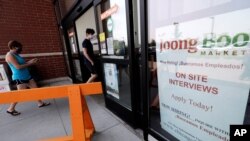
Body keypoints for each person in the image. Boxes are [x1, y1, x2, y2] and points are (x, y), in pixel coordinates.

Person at [5, 40, 50, 116]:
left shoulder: (15, 54)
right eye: (18, 47)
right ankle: (10, 109)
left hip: (27, 75)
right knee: (19, 94)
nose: (19, 49)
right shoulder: (9, 55)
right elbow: (18, 67)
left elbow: (23, 64)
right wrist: (30, 64)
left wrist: (30, 61)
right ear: (12, 47)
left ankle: (40, 103)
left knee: (35, 90)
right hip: (19, 77)